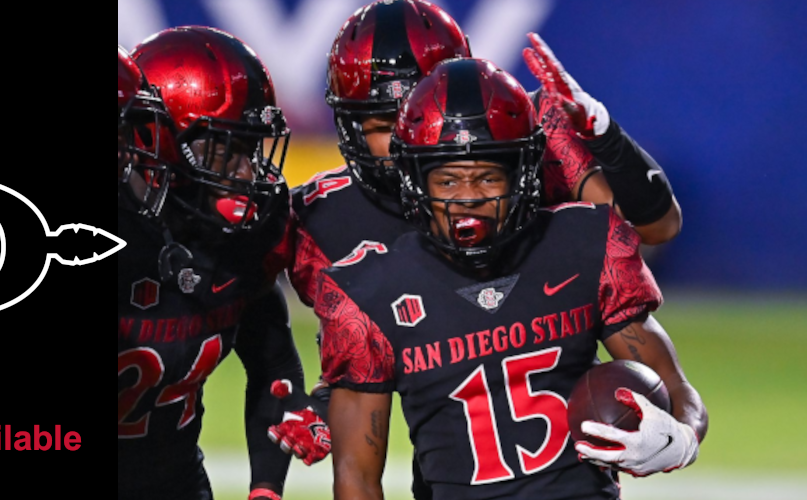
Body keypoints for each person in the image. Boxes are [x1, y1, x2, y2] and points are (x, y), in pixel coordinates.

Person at [270, 3, 686, 472]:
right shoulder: (317, 218)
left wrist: (606, 137)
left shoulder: (520, 143)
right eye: (385, 125)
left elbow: (656, 226)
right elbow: (362, 362)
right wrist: (324, 406)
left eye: (421, 110)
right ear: (349, 126)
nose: (411, 134)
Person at [118, 29, 312, 500]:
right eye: (224, 151)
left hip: (177, 483)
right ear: (158, 141)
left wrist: (266, 489)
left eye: (249, 152)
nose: (246, 175)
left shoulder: (240, 243)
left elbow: (274, 364)